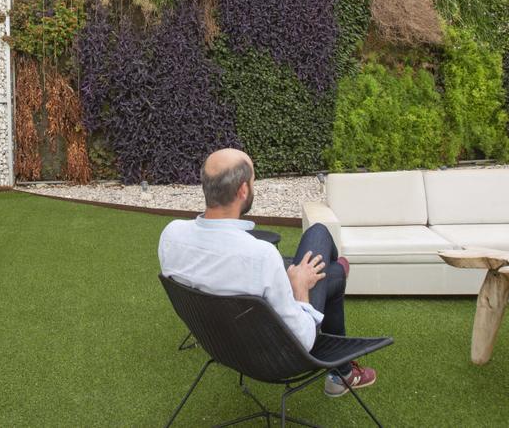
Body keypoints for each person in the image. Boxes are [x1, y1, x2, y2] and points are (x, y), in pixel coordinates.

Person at [158, 148, 376, 396]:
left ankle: (342, 368)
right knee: (320, 237)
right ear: (243, 191)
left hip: (222, 346)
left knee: (329, 272)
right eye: (253, 181)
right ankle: (341, 372)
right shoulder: (260, 255)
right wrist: (300, 288)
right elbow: (303, 339)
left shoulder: (171, 236)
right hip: (276, 357)